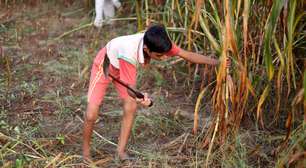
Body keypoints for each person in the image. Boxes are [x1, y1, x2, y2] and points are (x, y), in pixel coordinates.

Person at [82, 24, 230, 161]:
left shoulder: (161, 44)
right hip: (106, 65)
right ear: (147, 49)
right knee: (91, 114)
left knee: (131, 107)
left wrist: (217, 62)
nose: (165, 57)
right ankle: (86, 154)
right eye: (160, 56)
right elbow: (130, 88)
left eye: (166, 54)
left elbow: (187, 54)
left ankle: (120, 152)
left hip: (124, 70)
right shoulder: (129, 52)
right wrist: (142, 97)